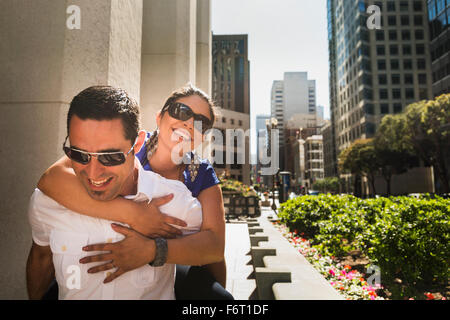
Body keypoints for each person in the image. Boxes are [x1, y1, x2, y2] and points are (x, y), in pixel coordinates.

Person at [28, 85, 232, 299]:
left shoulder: (200, 174)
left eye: (202, 123)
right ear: (159, 116)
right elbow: (51, 179)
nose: (190, 123)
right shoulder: (124, 145)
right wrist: (133, 214)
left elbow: (214, 247)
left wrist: (154, 250)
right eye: (182, 111)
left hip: (168, 261)